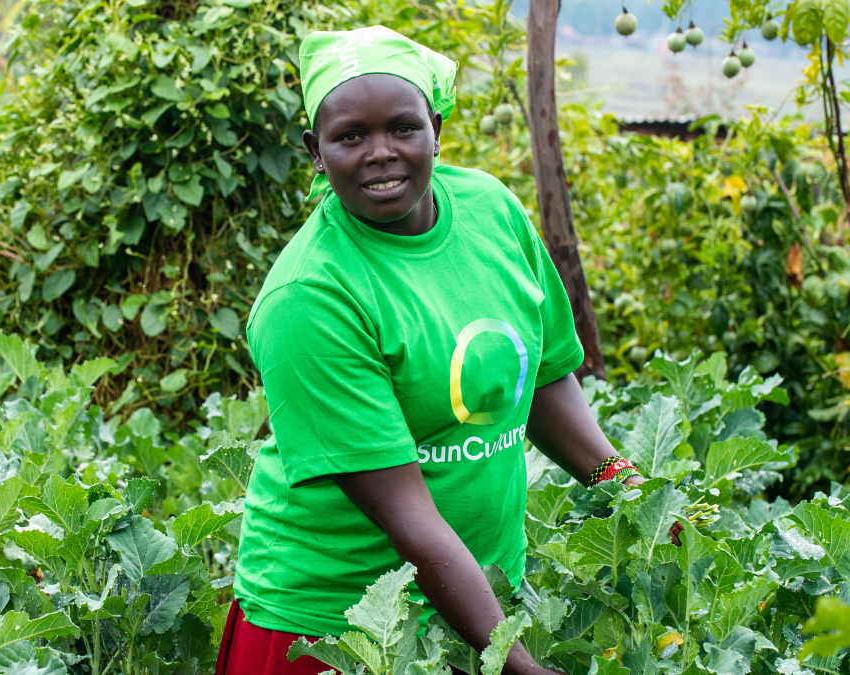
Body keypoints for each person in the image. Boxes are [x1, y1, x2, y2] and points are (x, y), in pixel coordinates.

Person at [214, 26, 660, 675]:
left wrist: (628, 487)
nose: (380, 153)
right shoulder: (309, 294)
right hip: (337, 633)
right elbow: (409, 518)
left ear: (437, 127)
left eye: (402, 127)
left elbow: (535, 380)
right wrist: (516, 661)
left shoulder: (490, 212)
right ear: (315, 151)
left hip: (476, 609)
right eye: (349, 137)